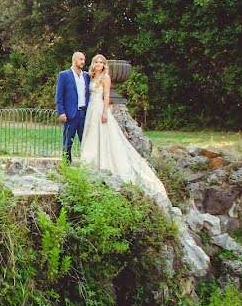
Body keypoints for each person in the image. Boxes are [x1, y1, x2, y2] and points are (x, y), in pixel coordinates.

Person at [80, 54, 169, 203]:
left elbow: (107, 96)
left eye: (101, 62)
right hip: (90, 109)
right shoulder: (90, 77)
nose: (99, 64)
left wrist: (104, 112)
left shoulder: (105, 78)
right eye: (97, 61)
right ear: (93, 63)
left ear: (104, 65)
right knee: (91, 137)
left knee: (103, 136)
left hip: (100, 109)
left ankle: (104, 164)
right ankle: (89, 164)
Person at [55, 51, 90, 163]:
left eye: (84, 60)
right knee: (68, 142)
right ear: (74, 60)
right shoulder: (64, 75)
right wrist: (61, 112)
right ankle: (66, 165)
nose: (83, 62)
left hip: (83, 113)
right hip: (70, 114)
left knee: (85, 141)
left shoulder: (86, 76)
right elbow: (59, 96)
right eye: (81, 59)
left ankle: (86, 164)